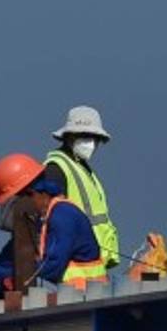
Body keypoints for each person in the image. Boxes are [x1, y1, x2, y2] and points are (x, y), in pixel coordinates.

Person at [0, 154, 106, 291]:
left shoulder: (63, 215)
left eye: (15, 201)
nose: (14, 209)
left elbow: (51, 267)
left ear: (31, 193)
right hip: (63, 302)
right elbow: (11, 259)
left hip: (88, 303)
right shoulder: (36, 221)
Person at [43, 106, 121, 267]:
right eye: (85, 136)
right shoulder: (56, 168)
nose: (91, 143)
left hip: (92, 263)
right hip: (74, 265)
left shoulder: (83, 169)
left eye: (95, 138)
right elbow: (54, 221)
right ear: (70, 137)